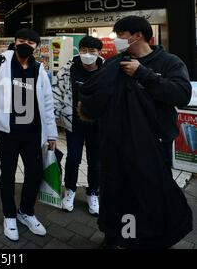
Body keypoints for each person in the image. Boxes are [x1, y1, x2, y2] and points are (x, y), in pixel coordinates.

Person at [78, 15, 193, 248]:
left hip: (152, 143)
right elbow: (95, 94)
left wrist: (143, 74)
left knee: (148, 192)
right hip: (115, 143)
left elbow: (181, 94)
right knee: (115, 191)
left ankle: (146, 239)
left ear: (137, 35)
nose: (117, 40)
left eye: (120, 36)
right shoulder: (115, 63)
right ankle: (114, 235)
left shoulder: (169, 62)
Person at [0, 28, 58, 242]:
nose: (26, 44)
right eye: (22, 40)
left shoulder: (39, 69)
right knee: (8, 173)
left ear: (37, 47)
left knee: (34, 173)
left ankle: (26, 212)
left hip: (34, 131)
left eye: (31, 42)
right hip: (8, 131)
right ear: (15, 42)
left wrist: (51, 133)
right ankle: (9, 215)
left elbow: (47, 102)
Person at [53, 36, 104, 215]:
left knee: (96, 161)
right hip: (73, 123)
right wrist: (53, 120)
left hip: (98, 125)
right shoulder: (67, 70)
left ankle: (93, 193)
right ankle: (70, 191)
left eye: (92, 51)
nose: (87, 55)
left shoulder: (106, 71)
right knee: (73, 158)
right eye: (83, 51)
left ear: (99, 53)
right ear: (78, 51)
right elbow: (56, 95)